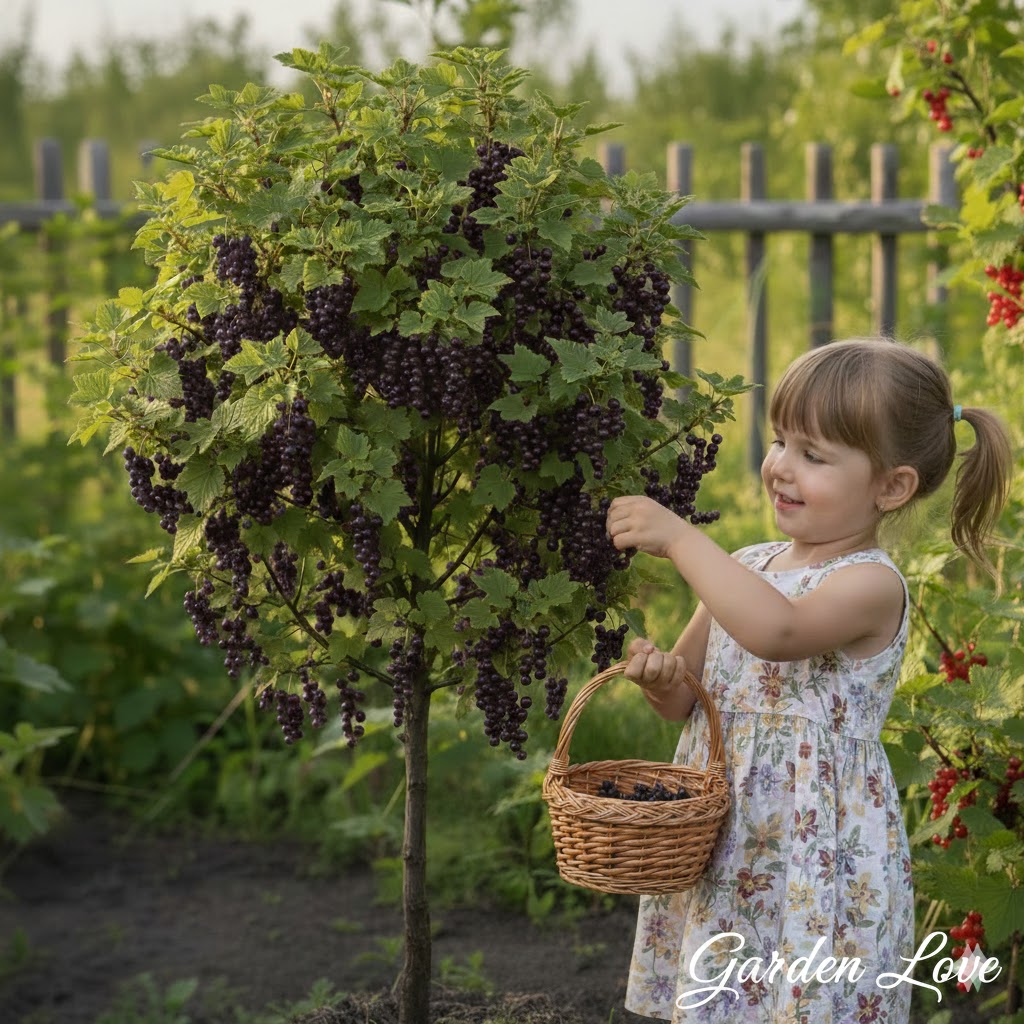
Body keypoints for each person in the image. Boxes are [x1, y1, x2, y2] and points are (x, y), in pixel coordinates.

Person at [605, 338, 1012, 1023]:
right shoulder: (749, 564)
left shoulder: (871, 584)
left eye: (814, 456)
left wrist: (680, 539)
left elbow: (780, 632)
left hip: (813, 854)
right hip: (728, 840)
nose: (781, 469)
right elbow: (686, 700)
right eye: (779, 442)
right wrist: (657, 678)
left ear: (892, 486)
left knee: (805, 999)